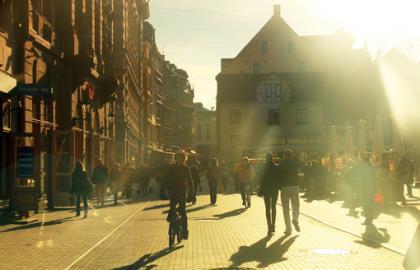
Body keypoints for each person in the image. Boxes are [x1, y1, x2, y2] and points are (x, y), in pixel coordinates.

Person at [164, 150, 194, 239]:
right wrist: (163, 191)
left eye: (181, 159)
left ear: (184, 159)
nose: (179, 160)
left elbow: (190, 181)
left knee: (183, 211)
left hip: (181, 191)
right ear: (175, 159)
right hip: (172, 190)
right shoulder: (171, 168)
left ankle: (184, 231)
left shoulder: (186, 168)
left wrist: (191, 194)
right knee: (172, 208)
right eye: (177, 158)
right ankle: (171, 219)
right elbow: (165, 179)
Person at [279, 149, 301, 235]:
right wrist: (294, 158)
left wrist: (279, 186)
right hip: (295, 186)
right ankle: (295, 219)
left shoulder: (282, 164)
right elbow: (302, 165)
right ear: (292, 155)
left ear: (285, 156)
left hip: (284, 187)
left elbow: (279, 175)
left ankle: (288, 229)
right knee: (296, 205)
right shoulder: (295, 162)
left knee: (285, 209)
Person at [258, 152, 280, 234]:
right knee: (273, 207)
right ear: (272, 158)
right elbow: (279, 178)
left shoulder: (263, 167)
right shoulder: (276, 167)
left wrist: (260, 188)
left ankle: (269, 226)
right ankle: (273, 225)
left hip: (266, 190)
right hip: (274, 189)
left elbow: (260, 179)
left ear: (265, 158)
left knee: (267, 208)